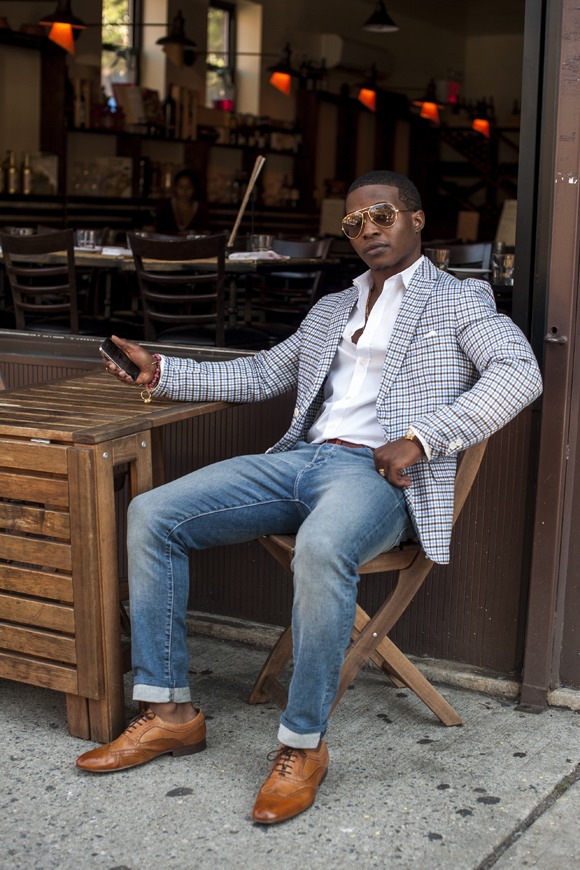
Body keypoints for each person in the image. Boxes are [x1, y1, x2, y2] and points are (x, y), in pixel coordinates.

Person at [76, 170, 542, 825]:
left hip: (377, 480)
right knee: (154, 514)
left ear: (415, 219)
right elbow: (264, 371)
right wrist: (163, 372)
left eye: (381, 216)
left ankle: (303, 746)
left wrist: (423, 438)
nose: (367, 231)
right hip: (301, 462)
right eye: (354, 223)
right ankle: (169, 711)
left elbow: (520, 372)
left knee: (322, 548)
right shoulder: (333, 308)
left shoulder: (459, 301)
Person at [152, 167, 209, 235]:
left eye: (189, 187)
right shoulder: (165, 206)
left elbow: (204, 233)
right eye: (181, 187)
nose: (184, 191)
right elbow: (157, 228)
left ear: (195, 189)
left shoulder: (201, 209)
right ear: (175, 188)